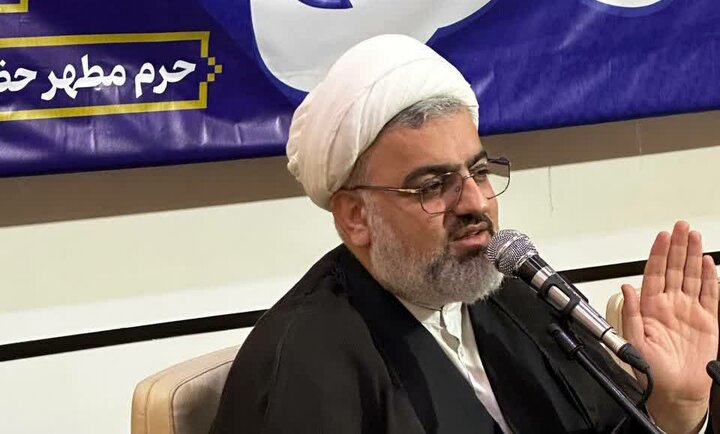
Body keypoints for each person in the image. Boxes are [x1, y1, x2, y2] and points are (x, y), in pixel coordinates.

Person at [211, 34, 719, 433]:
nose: (476, 203)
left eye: (478, 172)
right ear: (355, 217)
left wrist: (676, 407)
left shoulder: (519, 293)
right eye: (434, 185)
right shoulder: (302, 367)